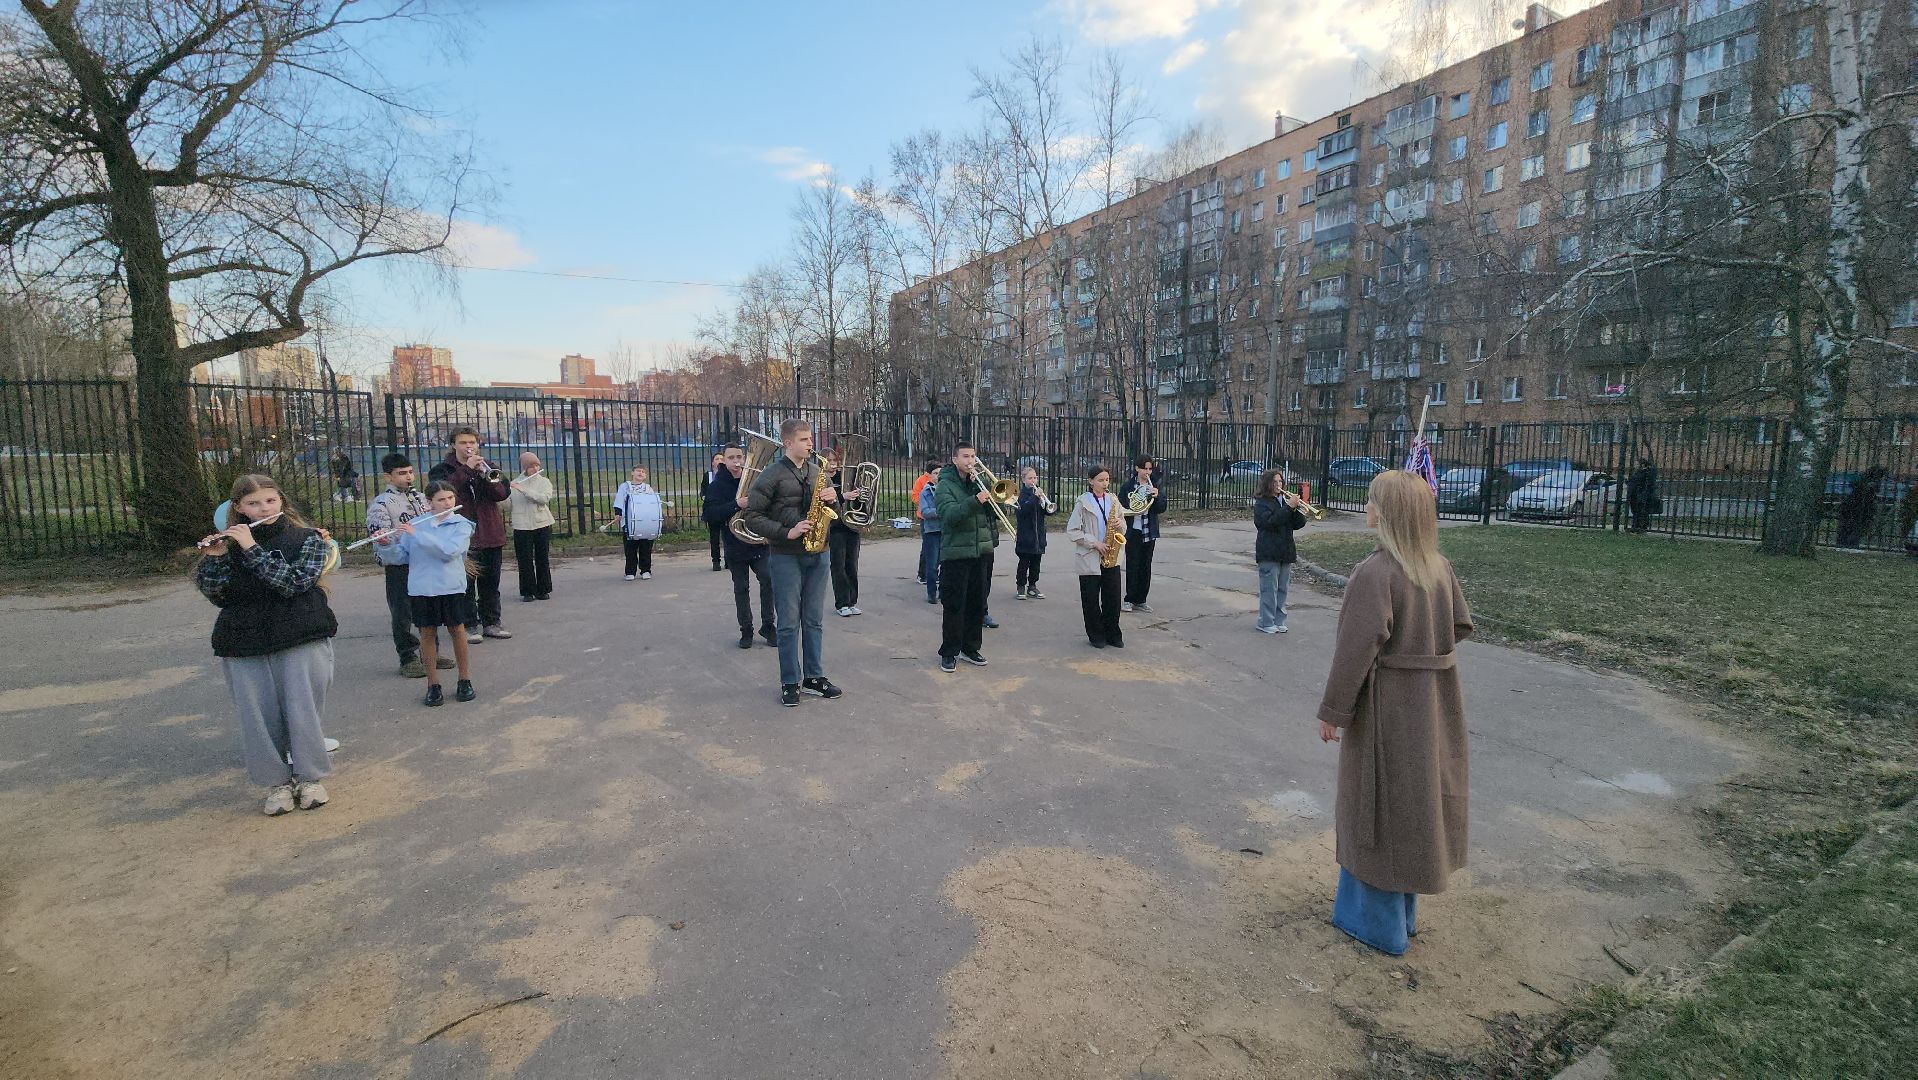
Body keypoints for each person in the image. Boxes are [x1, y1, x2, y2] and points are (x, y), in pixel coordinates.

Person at [1315, 470, 1475, 956]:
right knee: (1416, 803)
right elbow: (1460, 625)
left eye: (1371, 502)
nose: (1366, 507)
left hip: (1388, 710)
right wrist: (1424, 655)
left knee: (1377, 805)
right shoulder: (1437, 566)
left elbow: (1354, 652)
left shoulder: (1376, 572)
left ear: (1387, 515)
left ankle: (1375, 925)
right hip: (1434, 704)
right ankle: (1403, 916)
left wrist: (1333, 712)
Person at [194, 473, 339, 816]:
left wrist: (252, 549)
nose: (263, 509)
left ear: (281, 502)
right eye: (253, 503)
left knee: (303, 711)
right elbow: (217, 595)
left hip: (300, 635)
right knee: (257, 717)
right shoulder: (228, 545)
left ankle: (310, 779)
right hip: (244, 640)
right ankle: (276, 784)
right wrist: (214, 558)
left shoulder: (309, 539)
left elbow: (292, 583)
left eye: (270, 501)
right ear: (239, 508)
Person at [741, 419, 844, 708]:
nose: (810, 444)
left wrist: (833, 499)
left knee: (814, 620)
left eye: (810, 439)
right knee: (788, 623)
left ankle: (814, 677)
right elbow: (752, 517)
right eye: (804, 440)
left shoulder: (817, 472)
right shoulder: (771, 476)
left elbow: (834, 512)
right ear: (788, 443)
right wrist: (787, 532)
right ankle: (789, 681)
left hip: (819, 553)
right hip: (786, 555)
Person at [366, 452, 449, 678]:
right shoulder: (381, 504)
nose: (408, 477)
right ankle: (408, 656)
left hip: (423, 561)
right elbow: (378, 536)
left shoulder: (422, 498)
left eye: (410, 472)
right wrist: (383, 537)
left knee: (429, 607)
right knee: (402, 612)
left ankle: (431, 653)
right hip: (400, 565)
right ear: (388, 477)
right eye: (402, 474)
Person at [428, 426, 511, 643]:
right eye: (463, 443)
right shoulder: (442, 470)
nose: (468, 447)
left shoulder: (489, 467)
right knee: (463, 584)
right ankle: (468, 624)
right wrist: (466, 470)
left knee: (491, 583)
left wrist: (485, 475)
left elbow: (502, 493)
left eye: (472, 443)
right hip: (460, 535)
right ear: (453, 445)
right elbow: (444, 492)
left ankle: (492, 622)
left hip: (490, 532)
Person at [399, 480, 477, 706]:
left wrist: (417, 535)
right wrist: (384, 544)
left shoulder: (462, 525)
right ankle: (433, 685)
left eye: (450, 498)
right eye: (441, 499)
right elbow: (401, 555)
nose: (447, 503)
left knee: (457, 630)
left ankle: (464, 680)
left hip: (450, 586)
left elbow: (449, 552)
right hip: (422, 588)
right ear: (429, 502)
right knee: (427, 634)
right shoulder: (416, 524)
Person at [702, 443, 776, 650]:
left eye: (740, 457)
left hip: (758, 542)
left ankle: (769, 626)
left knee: (768, 581)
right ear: (723, 461)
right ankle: (746, 630)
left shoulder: (754, 480)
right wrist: (737, 505)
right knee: (741, 588)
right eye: (732, 457)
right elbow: (709, 515)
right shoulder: (717, 485)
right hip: (735, 545)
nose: (737, 461)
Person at [933, 441, 998, 672]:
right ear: (954, 459)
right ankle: (949, 651)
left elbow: (992, 515)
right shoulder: (945, 485)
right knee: (954, 604)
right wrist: (975, 500)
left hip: (981, 551)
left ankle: (970, 648)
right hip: (956, 554)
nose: (970, 461)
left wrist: (991, 499)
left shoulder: (978, 482)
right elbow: (949, 515)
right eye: (965, 456)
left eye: (973, 456)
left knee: (977, 603)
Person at [1066, 466, 1124, 649]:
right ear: (1091, 481)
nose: (1105, 483)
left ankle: (1113, 633)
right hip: (1090, 556)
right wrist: (1095, 543)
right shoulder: (1083, 502)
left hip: (1111, 556)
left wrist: (1121, 524)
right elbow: (1072, 531)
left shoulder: (1113, 500)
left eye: (1107, 479)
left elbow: (1123, 524)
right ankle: (1096, 634)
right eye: (1100, 480)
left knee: (1113, 599)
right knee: (1090, 599)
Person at [1252, 468, 1311, 634]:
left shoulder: (1284, 502)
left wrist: (1299, 510)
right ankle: (1265, 622)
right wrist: (1288, 508)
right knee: (1269, 590)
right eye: (1275, 482)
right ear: (1267, 484)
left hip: (1285, 551)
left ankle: (1279, 620)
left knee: (1282, 589)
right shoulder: (1261, 503)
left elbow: (1297, 525)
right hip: (1268, 551)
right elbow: (1269, 522)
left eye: (1280, 482)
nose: (1279, 485)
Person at [1116, 455, 1167, 612]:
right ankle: (1129, 599)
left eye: (1150, 469)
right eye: (1145, 468)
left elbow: (1161, 508)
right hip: (1134, 531)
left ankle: (1141, 600)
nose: (1148, 472)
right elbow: (1121, 506)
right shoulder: (1128, 486)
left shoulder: (1155, 485)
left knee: (1146, 566)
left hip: (1149, 531)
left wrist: (1157, 497)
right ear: (1137, 468)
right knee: (1133, 565)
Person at [510, 451, 555, 601]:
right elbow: (508, 505)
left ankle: (543, 590)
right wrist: (500, 492)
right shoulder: (515, 482)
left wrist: (525, 490)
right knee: (524, 559)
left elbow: (544, 498)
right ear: (524, 468)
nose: (535, 469)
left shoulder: (544, 482)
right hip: (521, 525)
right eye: (531, 466)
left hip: (541, 523)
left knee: (542, 558)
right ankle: (527, 591)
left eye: (537, 465)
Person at [826, 447, 864, 617]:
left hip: (851, 525)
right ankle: (841, 603)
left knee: (852, 565)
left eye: (834, 461)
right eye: (829, 461)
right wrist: (843, 496)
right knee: (838, 566)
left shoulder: (846, 477)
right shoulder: (821, 479)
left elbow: (854, 500)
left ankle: (852, 601)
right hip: (835, 527)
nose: (832, 465)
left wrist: (860, 496)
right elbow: (824, 502)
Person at [612, 464, 666, 580]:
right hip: (629, 522)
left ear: (645, 475)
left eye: (643, 472)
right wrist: (618, 513)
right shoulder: (624, 487)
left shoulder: (648, 488)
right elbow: (619, 500)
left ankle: (645, 570)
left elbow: (653, 504)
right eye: (638, 471)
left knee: (646, 547)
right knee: (630, 548)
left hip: (646, 523)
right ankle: (630, 572)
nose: (640, 473)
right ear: (632, 473)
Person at [1014, 466, 1055, 600]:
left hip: (1039, 536)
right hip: (1026, 537)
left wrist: (1046, 506)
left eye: (1035, 477)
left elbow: (1048, 512)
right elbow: (1022, 511)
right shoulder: (1021, 495)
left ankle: (1032, 586)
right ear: (1023, 480)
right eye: (1030, 478)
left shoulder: (1039, 494)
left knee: (1036, 564)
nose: (1033, 480)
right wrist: (1034, 498)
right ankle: (1021, 586)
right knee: (1024, 563)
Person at [1834, 466, 1888, 549]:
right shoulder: (1869, 481)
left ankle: (1844, 542)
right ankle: (1850, 543)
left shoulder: (1862, 479)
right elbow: (1874, 490)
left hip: (1855, 504)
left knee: (1849, 524)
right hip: (1861, 506)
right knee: (1856, 525)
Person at [911, 459, 940, 586]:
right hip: (925, 518)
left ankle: (934, 574)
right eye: (935, 472)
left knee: (938, 551)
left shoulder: (941, 482)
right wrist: (925, 502)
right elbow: (914, 497)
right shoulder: (921, 481)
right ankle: (922, 574)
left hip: (939, 521)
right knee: (927, 549)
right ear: (929, 473)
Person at [699, 450, 727, 571]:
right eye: (717, 459)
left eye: (721, 459)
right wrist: (703, 496)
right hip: (712, 510)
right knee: (714, 537)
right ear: (712, 463)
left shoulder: (728, 475)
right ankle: (716, 561)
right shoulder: (708, 475)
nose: (719, 461)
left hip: (725, 509)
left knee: (727, 537)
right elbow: (703, 489)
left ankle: (729, 560)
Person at [1625, 457, 1659, 534]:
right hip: (1634, 494)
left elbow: (1647, 483)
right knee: (1636, 511)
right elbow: (1634, 482)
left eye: (1637, 464)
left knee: (1641, 511)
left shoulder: (1647, 472)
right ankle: (1635, 527)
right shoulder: (1638, 472)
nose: (1635, 465)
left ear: (1642, 465)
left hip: (1641, 495)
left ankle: (1640, 527)